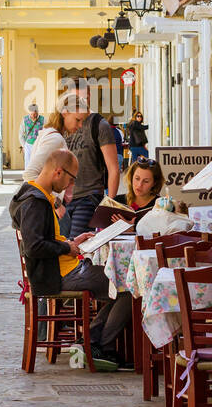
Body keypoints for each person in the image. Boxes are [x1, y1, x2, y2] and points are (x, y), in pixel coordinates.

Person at [9, 149, 132, 370]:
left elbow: (48, 238)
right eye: (71, 179)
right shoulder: (35, 202)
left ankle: (90, 342)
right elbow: (34, 246)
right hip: (59, 275)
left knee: (120, 283)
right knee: (127, 286)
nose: (70, 185)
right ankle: (96, 345)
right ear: (58, 172)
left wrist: (74, 241)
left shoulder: (39, 196)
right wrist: (67, 247)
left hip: (65, 269)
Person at [60, 93, 120, 239]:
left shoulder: (99, 125)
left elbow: (114, 169)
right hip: (62, 200)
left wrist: (108, 205)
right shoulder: (62, 125)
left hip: (88, 197)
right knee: (62, 249)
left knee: (78, 248)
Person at [18, 103, 44, 169]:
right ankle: (27, 179)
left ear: (37, 112)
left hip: (39, 145)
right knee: (28, 164)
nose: (33, 116)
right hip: (28, 145)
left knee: (38, 163)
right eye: (31, 114)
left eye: (35, 114)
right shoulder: (25, 120)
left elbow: (45, 132)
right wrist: (24, 145)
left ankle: (37, 179)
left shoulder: (43, 120)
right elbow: (21, 134)